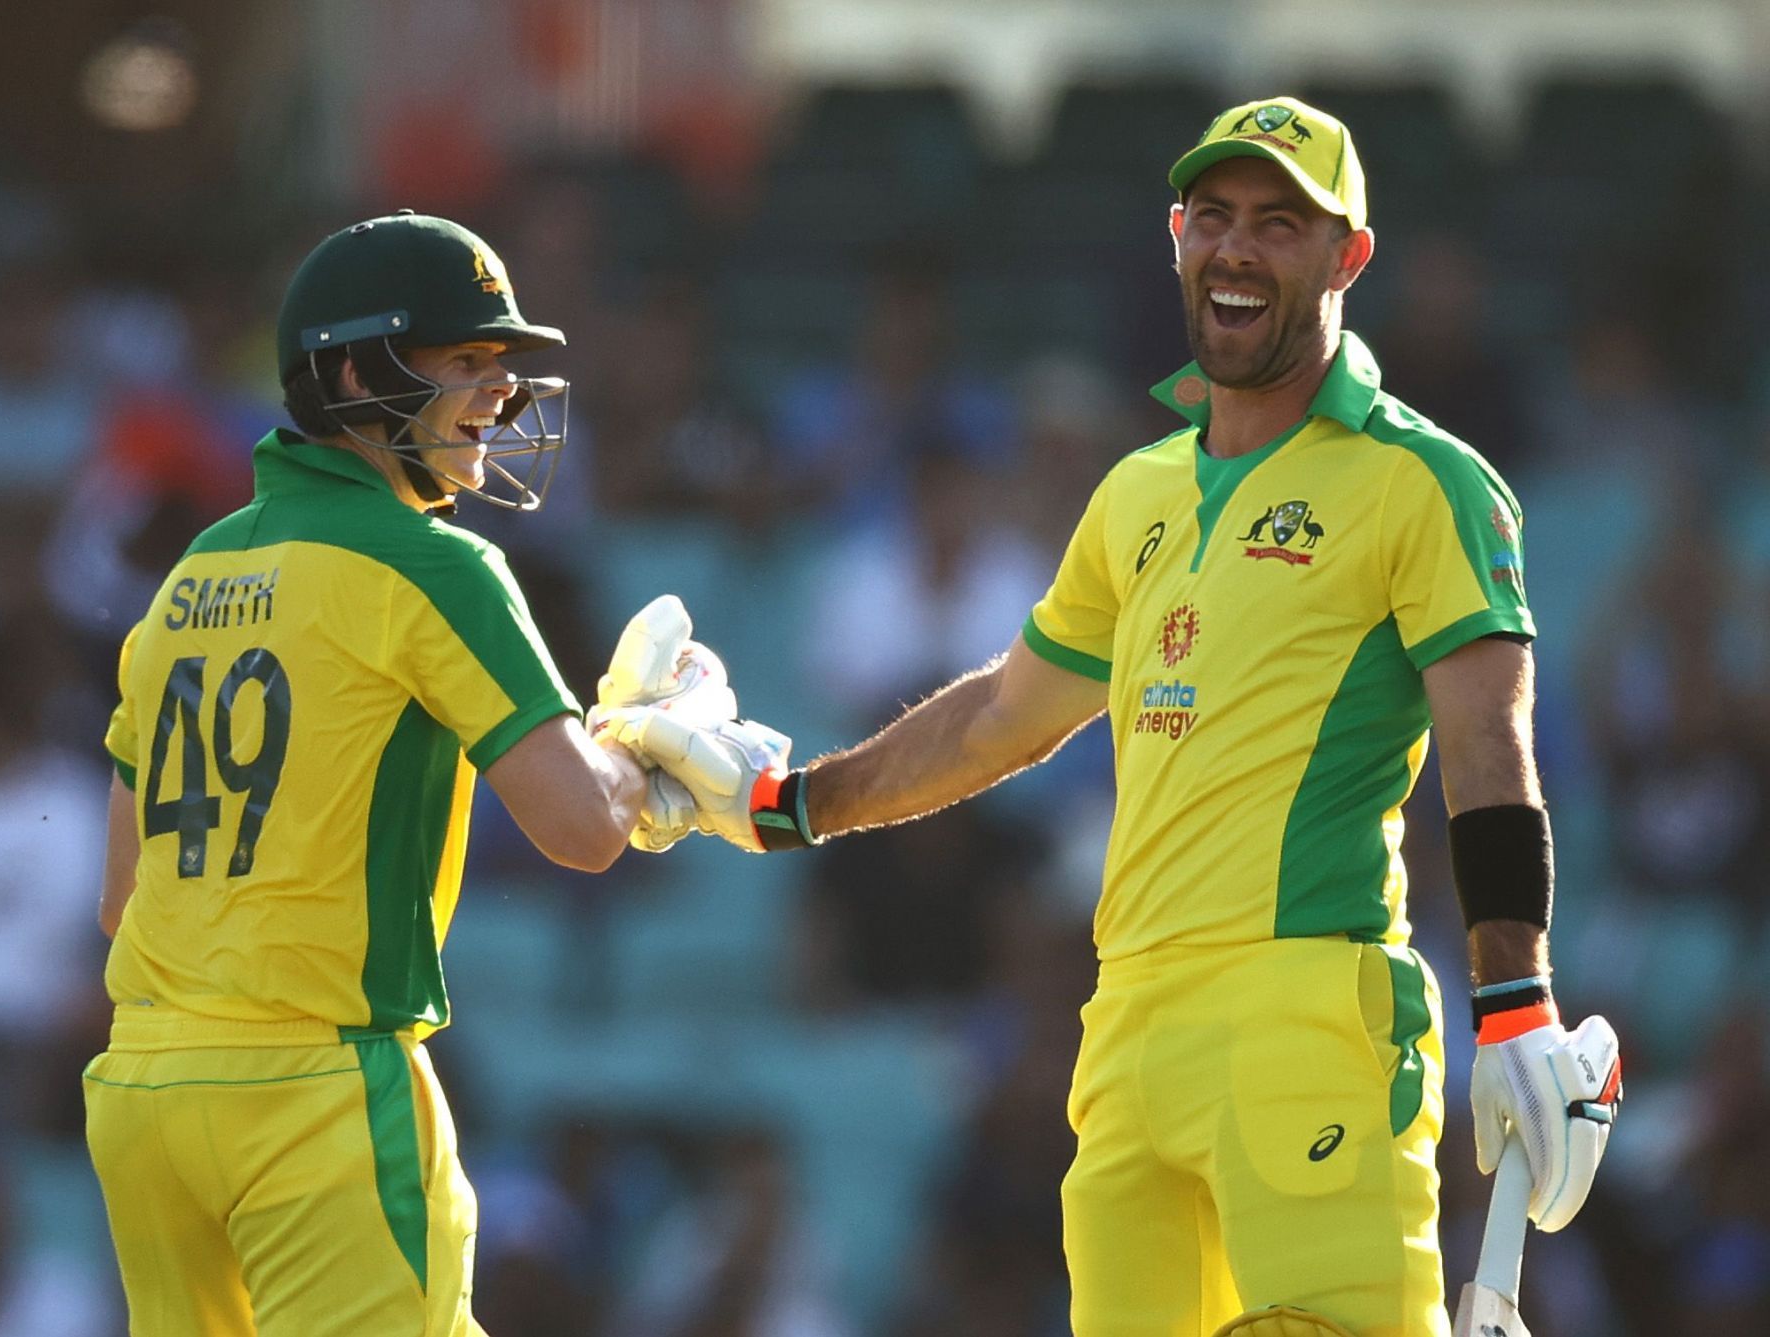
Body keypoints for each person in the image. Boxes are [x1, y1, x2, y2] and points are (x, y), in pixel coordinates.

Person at [602, 99, 1624, 1337]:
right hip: (1129, 1022)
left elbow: (1489, 743)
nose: (1237, 248)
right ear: (1177, 238)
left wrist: (1514, 996)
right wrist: (789, 804)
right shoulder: (1137, 489)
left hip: (1304, 1004)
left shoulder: (1426, 480)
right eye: (1215, 217)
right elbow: (999, 716)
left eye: (1281, 222)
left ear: (1348, 256)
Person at [85, 210, 653, 1336]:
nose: (498, 389)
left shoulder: (193, 571)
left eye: (499, 362)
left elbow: (119, 902)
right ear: (350, 373)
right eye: (463, 359)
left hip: (145, 1089)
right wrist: (644, 738)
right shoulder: (439, 563)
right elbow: (586, 828)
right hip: (316, 1093)